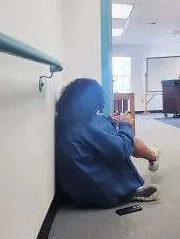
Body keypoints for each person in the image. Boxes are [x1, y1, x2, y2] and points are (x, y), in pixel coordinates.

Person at [55, 78, 161, 208]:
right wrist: (125, 125)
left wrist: (108, 121)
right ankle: (152, 157)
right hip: (102, 192)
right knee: (128, 139)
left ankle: (151, 156)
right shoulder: (92, 124)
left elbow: (92, 135)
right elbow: (121, 150)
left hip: (77, 193)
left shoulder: (64, 121)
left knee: (119, 138)